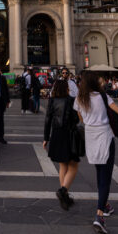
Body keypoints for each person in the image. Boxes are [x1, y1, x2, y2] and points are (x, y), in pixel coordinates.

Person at [74, 72, 118, 234]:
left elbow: (80, 118)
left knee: (99, 173)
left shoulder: (79, 98)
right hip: (105, 137)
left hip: (90, 138)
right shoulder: (103, 97)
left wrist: (91, 120)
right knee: (105, 177)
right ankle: (99, 215)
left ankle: (105, 205)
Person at [43, 79, 81, 211]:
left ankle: (64, 197)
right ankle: (63, 190)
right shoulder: (71, 100)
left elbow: (47, 119)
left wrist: (45, 138)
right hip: (68, 134)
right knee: (74, 165)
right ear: (66, 88)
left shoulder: (52, 100)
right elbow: (76, 119)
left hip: (56, 134)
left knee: (62, 165)